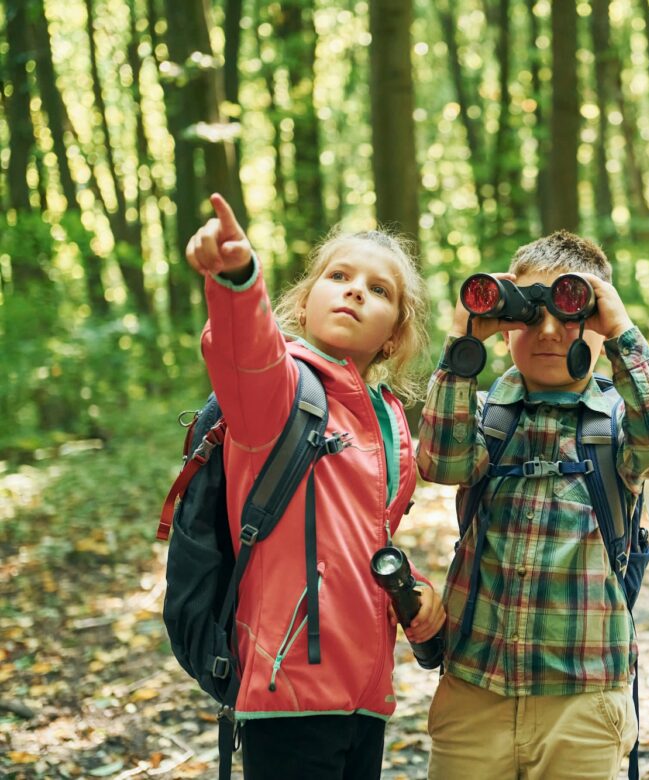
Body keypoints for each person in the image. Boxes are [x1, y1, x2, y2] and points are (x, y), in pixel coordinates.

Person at [183, 194, 445, 779]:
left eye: (379, 290)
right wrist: (236, 280)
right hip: (287, 686)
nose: (355, 290)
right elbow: (242, 353)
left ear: (394, 337)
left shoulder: (387, 421)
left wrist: (414, 593)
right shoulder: (276, 396)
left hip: (366, 696)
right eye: (339, 276)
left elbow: (357, 541)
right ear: (303, 304)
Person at [417, 231, 649, 779]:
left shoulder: (616, 423)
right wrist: (461, 345)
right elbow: (441, 463)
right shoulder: (488, 416)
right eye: (528, 313)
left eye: (568, 313)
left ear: (595, 319)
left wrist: (622, 334)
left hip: (583, 696)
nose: (546, 332)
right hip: (476, 688)